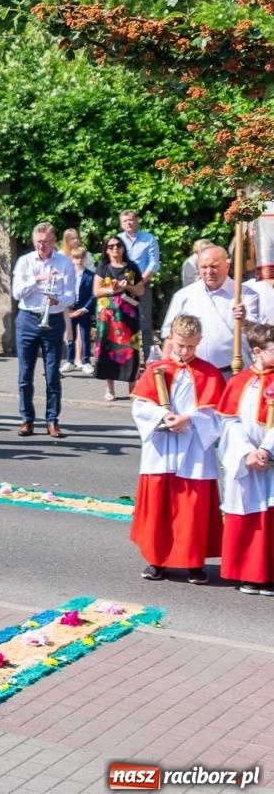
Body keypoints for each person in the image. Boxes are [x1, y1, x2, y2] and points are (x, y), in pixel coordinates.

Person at [129, 315, 225, 584]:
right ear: (171, 338)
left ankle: (194, 563)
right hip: (162, 450)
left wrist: (190, 419)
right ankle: (157, 560)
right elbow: (139, 406)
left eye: (191, 347)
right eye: (180, 345)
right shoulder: (156, 369)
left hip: (194, 450)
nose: (184, 352)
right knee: (160, 506)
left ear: (200, 343)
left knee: (192, 510)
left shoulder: (210, 373)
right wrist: (162, 416)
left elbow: (219, 416)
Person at [214, 323, 274, 595]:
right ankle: (248, 573)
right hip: (246, 461)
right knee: (248, 514)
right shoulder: (240, 382)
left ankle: (270, 573)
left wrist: (267, 450)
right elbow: (228, 422)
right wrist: (247, 452)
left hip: (270, 460)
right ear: (258, 352)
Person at [11, 222, 78, 438]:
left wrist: (57, 299)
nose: (43, 246)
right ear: (34, 241)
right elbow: (17, 293)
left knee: (52, 375)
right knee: (25, 374)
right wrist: (36, 280)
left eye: (47, 242)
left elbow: (71, 296)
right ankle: (26, 420)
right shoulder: (24, 262)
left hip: (54, 319)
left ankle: (52, 421)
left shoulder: (65, 262)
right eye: (39, 242)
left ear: (54, 241)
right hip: (28, 318)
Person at [161, 245, 260, 377]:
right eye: (204, 267)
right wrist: (165, 369)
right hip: (194, 373)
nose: (209, 271)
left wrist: (244, 321)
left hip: (234, 372)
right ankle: (122, 394)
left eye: (214, 266)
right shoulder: (184, 295)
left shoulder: (245, 294)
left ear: (227, 266)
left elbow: (257, 335)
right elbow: (170, 336)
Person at [92, 236, 145, 401]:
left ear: (123, 248)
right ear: (106, 250)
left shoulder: (132, 267)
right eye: (111, 246)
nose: (115, 249)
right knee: (109, 351)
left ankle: (133, 388)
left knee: (131, 351)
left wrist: (127, 286)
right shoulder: (103, 267)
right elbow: (96, 291)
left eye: (118, 245)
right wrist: (112, 290)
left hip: (128, 317)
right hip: (107, 317)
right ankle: (110, 389)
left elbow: (140, 291)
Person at [119, 210, 162, 356]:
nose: (129, 223)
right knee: (125, 322)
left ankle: (149, 359)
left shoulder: (148, 239)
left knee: (144, 322)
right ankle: (130, 358)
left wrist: (140, 282)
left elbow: (154, 263)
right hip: (122, 286)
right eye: (125, 221)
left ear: (137, 221)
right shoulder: (117, 240)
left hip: (142, 285)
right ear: (121, 224)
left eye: (131, 220)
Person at [65, 245, 95, 373]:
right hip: (71, 308)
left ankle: (86, 361)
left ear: (85, 259)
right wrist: (67, 308)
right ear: (72, 259)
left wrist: (85, 309)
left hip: (83, 309)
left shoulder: (91, 275)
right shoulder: (68, 275)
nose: (79, 260)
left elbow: (94, 295)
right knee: (70, 335)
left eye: (82, 258)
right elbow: (63, 290)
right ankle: (69, 361)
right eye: (76, 258)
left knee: (84, 335)